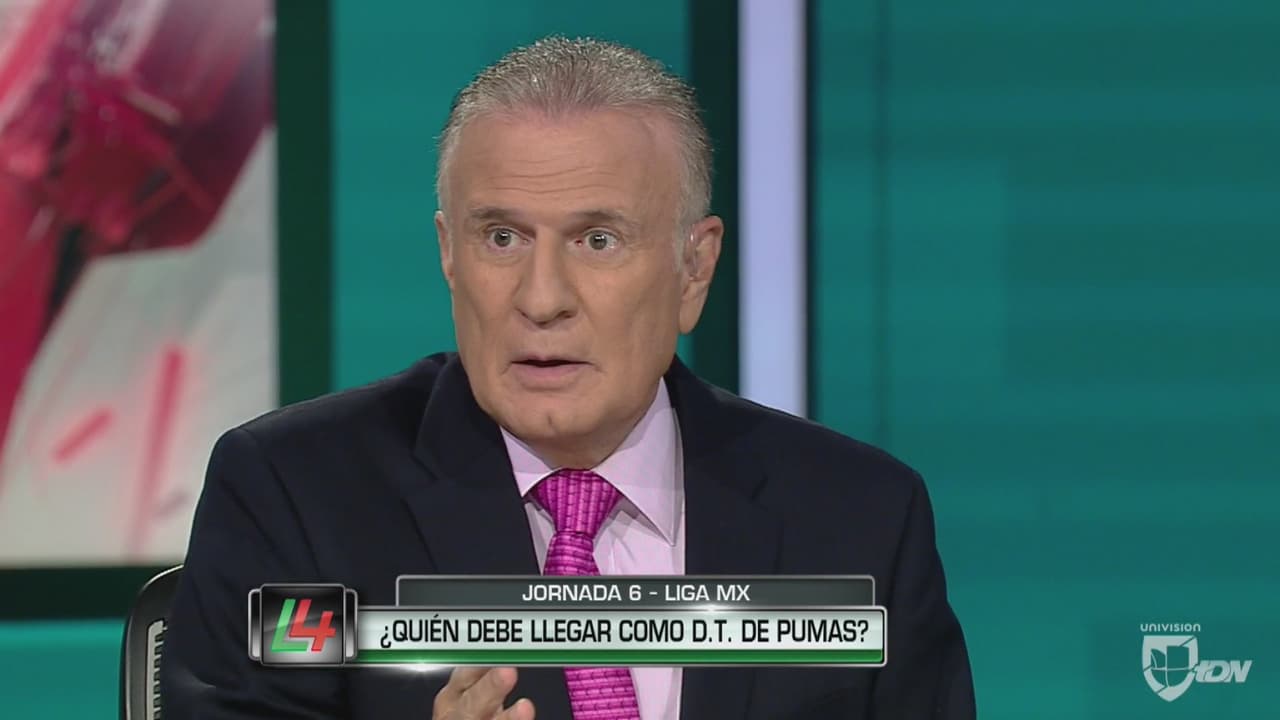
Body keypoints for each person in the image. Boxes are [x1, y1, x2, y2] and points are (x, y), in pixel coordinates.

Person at [160, 36, 975, 720]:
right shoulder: (296, 496)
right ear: (449, 254)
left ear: (694, 268)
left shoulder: (859, 520)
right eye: (502, 238)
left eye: (597, 241)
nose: (542, 298)